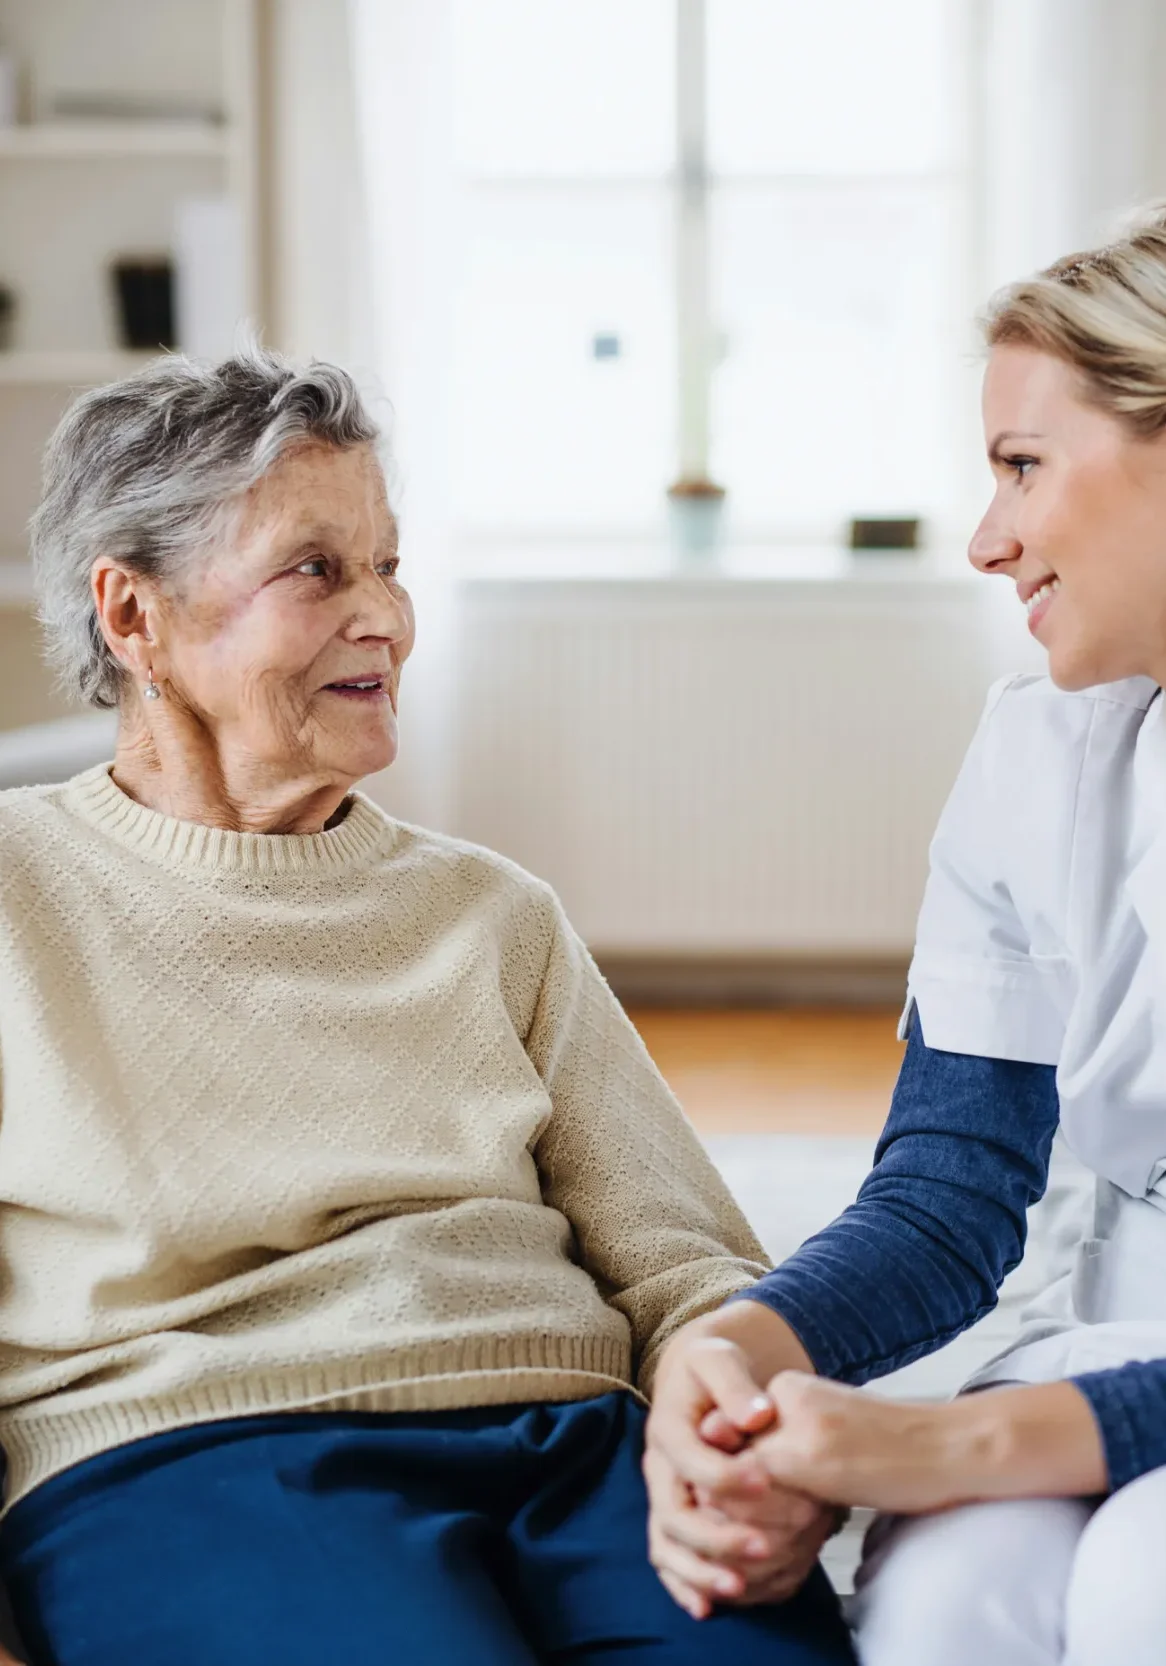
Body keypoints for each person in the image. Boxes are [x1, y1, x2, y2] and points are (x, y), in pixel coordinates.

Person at [0, 347, 857, 1666]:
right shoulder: (18, 895)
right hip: (201, 1454)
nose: (385, 619)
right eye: (315, 568)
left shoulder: (489, 911)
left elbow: (683, 1261)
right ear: (134, 618)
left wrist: (739, 1431)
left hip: (577, 1442)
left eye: (389, 565)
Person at [645, 204, 1166, 1666]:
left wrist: (954, 1442)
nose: (984, 538)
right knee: (936, 1611)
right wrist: (739, 1346)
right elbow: (952, 1188)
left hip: (1096, 1395)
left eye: (1019, 467)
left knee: (1138, 1593)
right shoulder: (1038, 751)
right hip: (1112, 1339)